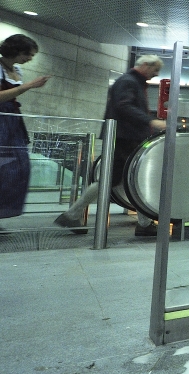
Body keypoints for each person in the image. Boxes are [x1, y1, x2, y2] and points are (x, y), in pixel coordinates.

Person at [54, 55, 166, 236]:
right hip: (125, 137)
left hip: (124, 136)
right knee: (126, 179)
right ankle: (72, 214)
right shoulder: (128, 82)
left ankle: (143, 223)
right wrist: (151, 121)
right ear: (145, 65)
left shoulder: (130, 81)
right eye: (155, 70)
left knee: (121, 179)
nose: (156, 75)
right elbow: (124, 106)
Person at [1, 34, 51, 222]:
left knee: (18, 167)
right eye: (27, 54)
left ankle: (4, 210)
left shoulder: (16, 70)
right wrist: (28, 86)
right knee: (5, 167)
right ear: (16, 51)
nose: (30, 58)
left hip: (11, 120)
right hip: (3, 119)